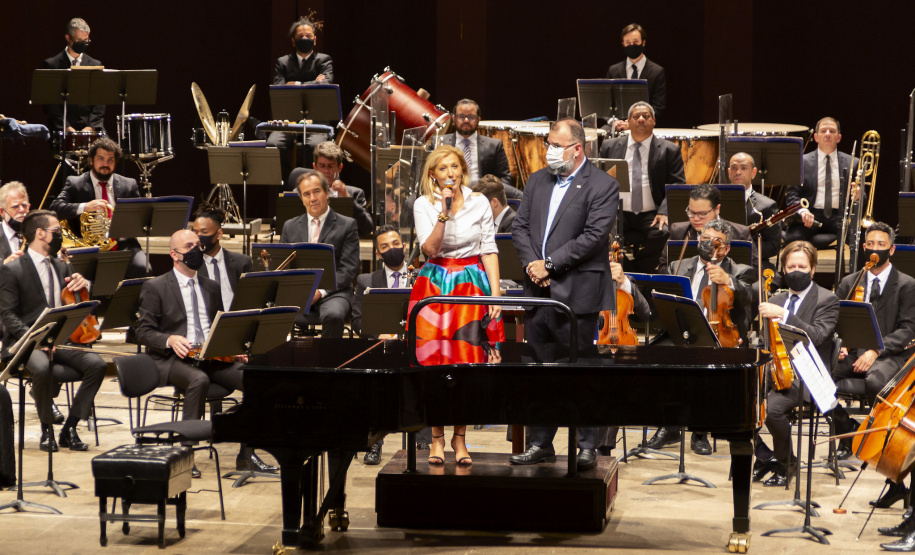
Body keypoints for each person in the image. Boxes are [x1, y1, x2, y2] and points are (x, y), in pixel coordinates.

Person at [510, 118, 618, 470]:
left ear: (577, 148)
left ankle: (586, 446)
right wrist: (533, 266)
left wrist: (550, 265)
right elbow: (520, 228)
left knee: (581, 371)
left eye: (556, 146)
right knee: (541, 372)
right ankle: (541, 443)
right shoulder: (537, 180)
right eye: (548, 144)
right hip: (537, 290)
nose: (549, 151)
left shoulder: (602, 185)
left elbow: (593, 237)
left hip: (577, 293)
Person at [136, 229, 270, 476]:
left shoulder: (211, 286)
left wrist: (231, 348)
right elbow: (143, 332)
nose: (196, 250)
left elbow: (218, 326)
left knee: (255, 380)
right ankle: (185, 455)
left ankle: (246, 453)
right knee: (198, 380)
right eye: (189, 246)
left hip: (210, 356)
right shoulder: (155, 286)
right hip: (173, 358)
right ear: (174, 254)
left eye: (198, 245)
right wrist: (169, 339)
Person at [411, 144, 505, 466]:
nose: (450, 173)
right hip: (435, 285)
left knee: (468, 363)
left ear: (462, 170)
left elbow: (489, 249)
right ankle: (437, 438)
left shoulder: (480, 202)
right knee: (434, 363)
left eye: (454, 166)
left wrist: (495, 295)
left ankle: (460, 438)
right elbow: (430, 250)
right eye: (443, 168)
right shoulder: (423, 204)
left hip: (471, 284)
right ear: (433, 175)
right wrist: (444, 211)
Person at [0, 210, 106, 452]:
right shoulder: (13, 269)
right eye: (56, 231)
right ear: (40, 233)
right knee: (42, 367)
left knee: (97, 364)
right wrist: (36, 340)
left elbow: (76, 303)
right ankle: (47, 429)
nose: (60, 236)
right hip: (25, 342)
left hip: (60, 341)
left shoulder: (62, 266)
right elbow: (8, 316)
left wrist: (84, 285)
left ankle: (70, 427)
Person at [649, 220, 755, 455]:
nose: (708, 244)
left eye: (716, 241)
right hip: (682, 331)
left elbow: (750, 295)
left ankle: (700, 431)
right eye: (705, 239)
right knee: (657, 359)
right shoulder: (678, 265)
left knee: (705, 365)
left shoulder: (740, 270)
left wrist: (728, 281)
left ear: (726, 248)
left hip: (717, 334)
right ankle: (669, 426)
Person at [753, 241, 839, 487]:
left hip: (808, 377)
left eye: (802, 266)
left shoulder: (827, 299)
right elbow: (765, 341)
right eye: (791, 267)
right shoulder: (776, 298)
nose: (796, 271)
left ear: (813, 269)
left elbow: (818, 336)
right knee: (733, 400)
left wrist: (784, 315)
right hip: (775, 372)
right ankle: (764, 455)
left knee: (772, 411)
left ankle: (787, 463)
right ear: (783, 269)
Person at [832, 223, 915, 458]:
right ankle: (847, 431)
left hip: (889, 354)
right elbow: (835, 320)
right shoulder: (850, 282)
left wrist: (876, 350)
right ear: (863, 248)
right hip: (852, 353)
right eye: (870, 244)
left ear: (892, 250)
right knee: (818, 379)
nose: (875, 249)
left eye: (881, 244)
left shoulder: (908, 285)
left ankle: (875, 442)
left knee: (876, 383)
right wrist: (840, 344)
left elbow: (909, 329)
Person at [599, 101, 683, 273]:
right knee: (599, 230)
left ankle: (639, 271)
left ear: (654, 121)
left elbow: (677, 183)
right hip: (618, 211)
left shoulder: (669, 149)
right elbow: (599, 179)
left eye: (646, 116)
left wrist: (664, 211)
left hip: (652, 213)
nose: (641, 119)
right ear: (628, 122)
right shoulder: (610, 146)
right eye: (636, 116)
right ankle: (626, 270)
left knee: (664, 233)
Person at [351, 224, 410, 465]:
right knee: (374, 380)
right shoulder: (366, 280)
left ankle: (423, 443)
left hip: (413, 345)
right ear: (377, 253)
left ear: (404, 246)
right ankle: (374, 441)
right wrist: (379, 336)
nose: (392, 249)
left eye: (395, 244)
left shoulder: (422, 276)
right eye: (385, 246)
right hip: (381, 347)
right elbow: (357, 321)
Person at [49, 138, 147, 278]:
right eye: (100, 159)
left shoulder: (129, 184)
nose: (105, 164)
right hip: (87, 246)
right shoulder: (75, 183)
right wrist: (85, 207)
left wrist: (121, 224)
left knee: (143, 267)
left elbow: (140, 216)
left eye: (110, 160)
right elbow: (55, 208)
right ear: (91, 160)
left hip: (123, 244)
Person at [281, 169, 359, 338]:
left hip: (335, 291)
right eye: (306, 194)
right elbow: (285, 268)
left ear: (327, 193)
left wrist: (320, 291)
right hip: (300, 291)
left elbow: (348, 270)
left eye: (317, 191)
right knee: (271, 311)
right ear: (301, 199)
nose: (312, 198)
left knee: (333, 315)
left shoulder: (347, 225)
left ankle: (326, 355)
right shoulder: (289, 226)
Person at [268, 17, 335, 184]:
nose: (305, 39)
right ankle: (286, 184)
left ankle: (313, 186)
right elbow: (279, 88)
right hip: (288, 121)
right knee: (272, 145)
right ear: (293, 41)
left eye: (308, 36)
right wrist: (314, 82)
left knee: (314, 148)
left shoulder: (324, 60)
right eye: (300, 37)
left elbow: (325, 84)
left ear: (315, 39)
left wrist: (295, 84)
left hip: (316, 121)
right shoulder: (282, 62)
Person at [784, 117, 860, 245]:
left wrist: (857, 196)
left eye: (832, 131)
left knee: (857, 238)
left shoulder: (853, 162)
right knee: (793, 238)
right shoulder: (801, 161)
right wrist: (803, 211)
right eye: (823, 131)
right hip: (811, 213)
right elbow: (792, 194)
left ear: (839, 138)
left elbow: (862, 197)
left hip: (839, 216)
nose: (828, 134)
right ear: (816, 137)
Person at [284, 141, 373, 236]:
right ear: (315, 167)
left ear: (339, 168)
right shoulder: (300, 192)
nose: (326, 171)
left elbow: (367, 228)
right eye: (322, 166)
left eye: (330, 166)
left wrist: (347, 198)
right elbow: (288, 225)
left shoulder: (355, 193)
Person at [440, 99, 521, 198]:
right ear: (453, 118)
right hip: (448, 194)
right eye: (461, 116)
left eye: (471, 117)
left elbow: (505, 179)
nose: (466, 120)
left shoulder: (494, 145)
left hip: (484, 197)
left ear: (478, 119)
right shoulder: (440, 143)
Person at [663, 183, 752, 269]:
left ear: (717, 209)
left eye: (702, 214)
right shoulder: (678, 231)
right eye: (691, 212)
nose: (696, 219)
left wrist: (727, 277)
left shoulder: (741, 233)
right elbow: (663, 266)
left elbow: (753, 270)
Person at [42, 18, 104, 134]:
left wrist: (91, 127)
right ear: (68, 38)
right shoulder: (52, 65)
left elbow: (99, 102)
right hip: (63, 127)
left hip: (89, 126)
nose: (83, 44)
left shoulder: (95, 64)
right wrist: (66, 127)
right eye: (79, 40)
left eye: (86, 40)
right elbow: (50, 104)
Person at [191, 205, 254, 312]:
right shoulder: (191, 265)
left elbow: (250, 300)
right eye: (196, 232)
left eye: (204, 232)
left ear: (219, 234)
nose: (199, 237)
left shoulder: (242, 263)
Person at [605, 23, 667, 129]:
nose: (631, 45)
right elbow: (606, 103)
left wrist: (636, 121)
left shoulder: (657, 71)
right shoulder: (613, 70)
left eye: (635, 42)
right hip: (618, 125)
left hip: (644, 124)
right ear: (623, 44)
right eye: (628, 42)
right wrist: (614, 121)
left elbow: (658, 106)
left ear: (643, 42)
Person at [729, 152, 781, 268]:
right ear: (729, 172)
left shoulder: (767, 206)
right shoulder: (716, 202)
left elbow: (774, 245)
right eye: (734, 168)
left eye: (744, 168)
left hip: (753, 264)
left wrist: (742, 250)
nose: (738, 172)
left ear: (753, 172)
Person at [0, 181, 29, 265]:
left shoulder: (38, 234)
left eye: (24, 205)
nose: (22, 210)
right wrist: (4, 265)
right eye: (15, 206)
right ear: (2, 211)